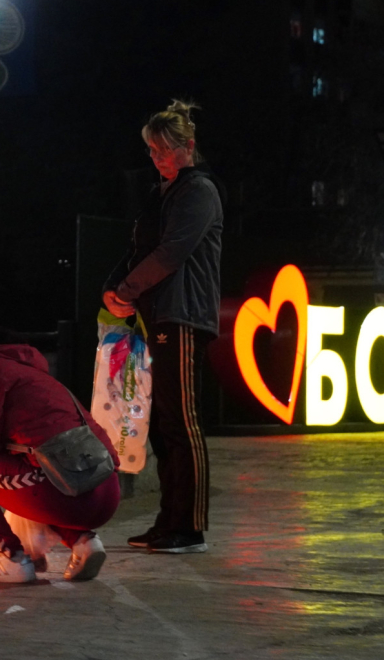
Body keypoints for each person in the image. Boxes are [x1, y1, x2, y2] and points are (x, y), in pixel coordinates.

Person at [103, 100, 224, 554]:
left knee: (181, 421)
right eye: (152, 151)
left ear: (188, 147)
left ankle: (188, 527)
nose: (157, 158)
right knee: (162, 423)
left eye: (164, 150)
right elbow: (141, 247)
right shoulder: (166, 193)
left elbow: (171, 252)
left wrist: (126, 290)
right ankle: (170, 522)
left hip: (183, 315)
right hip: (158, 315)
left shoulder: (199, 191)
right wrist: (112, 289)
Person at [0, 328, 121, 583]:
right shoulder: (41, 378)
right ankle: (84, 543)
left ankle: (11, 560)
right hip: (107, 492)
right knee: (32, 474)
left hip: (70, 498)